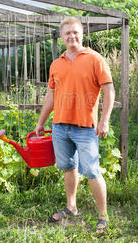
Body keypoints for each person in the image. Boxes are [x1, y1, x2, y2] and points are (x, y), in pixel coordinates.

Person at [34, 16, 115, 233]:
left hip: (85, 128)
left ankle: (103, 216)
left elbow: (109, 91)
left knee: (91, 171)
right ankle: (71, 207)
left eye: (75, 32)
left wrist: (105, 120)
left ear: (82, 34)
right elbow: (50, 95)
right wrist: (41, 122)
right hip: (61, 127)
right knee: (68, 167)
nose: (72, 36)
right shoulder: (56, 64)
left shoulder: (94, 59)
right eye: (67, 33)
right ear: (62, 37)